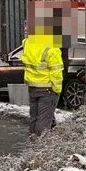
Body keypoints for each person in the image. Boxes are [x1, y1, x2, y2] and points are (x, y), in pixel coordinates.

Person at [21, 8, 65, 136]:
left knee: (34, 119)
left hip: (33, 86)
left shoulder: (28, 42)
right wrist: (57, 90)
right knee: (44, 121)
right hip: (47, 88)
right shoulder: (52, 47)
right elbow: (56, 72)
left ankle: (32, 143)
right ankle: (41, 148)